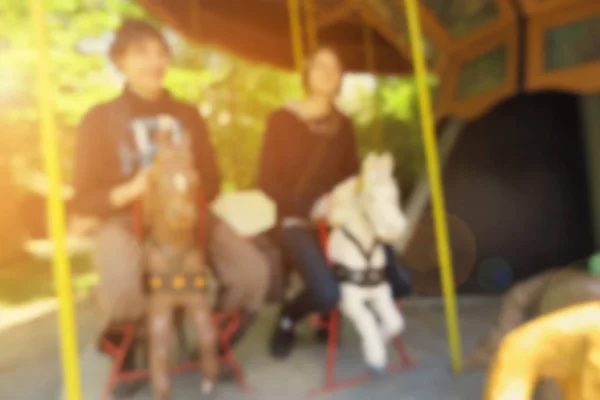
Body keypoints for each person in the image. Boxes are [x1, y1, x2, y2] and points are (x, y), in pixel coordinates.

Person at [71, 19, 269, 382]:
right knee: (121, 291)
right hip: (125, 217)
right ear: (120, 60)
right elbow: (83, 199)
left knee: (253, 274)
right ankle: (130, 344)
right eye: (143, 53)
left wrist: (191, 186)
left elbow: (213, 179)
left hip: (188, 215)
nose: (156, 61)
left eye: (162, 52)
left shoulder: (188, 114)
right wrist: (131, 190)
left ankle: (214, 341)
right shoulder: (98, 119)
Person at [258, 45, 412, 359]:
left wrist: (356, 197)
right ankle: (288, 317)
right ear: (307, 73)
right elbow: (266, 180)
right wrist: (308, 207)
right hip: (295, 220)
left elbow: (351, 177)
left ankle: (334, 315)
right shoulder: (281, 119)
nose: (329, 73)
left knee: (399, 281)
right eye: (320, 66)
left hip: (339, 218)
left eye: (336, 67)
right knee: (327, 291)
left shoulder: (343, 125)